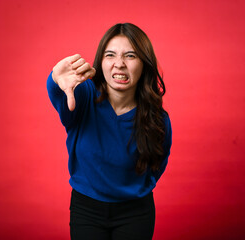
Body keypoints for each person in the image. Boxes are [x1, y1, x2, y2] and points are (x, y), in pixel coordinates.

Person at [47, 23, 172, 240]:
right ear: (101, 61)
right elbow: (60, 93)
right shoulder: (84, 95)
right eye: (110, 55)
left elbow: (158, 164)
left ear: (144, 63)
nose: (119, 64)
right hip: (86, 210)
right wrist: (55, 80)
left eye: (130, 56)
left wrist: (134, 190)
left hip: (135, 213)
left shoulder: (157, 118)